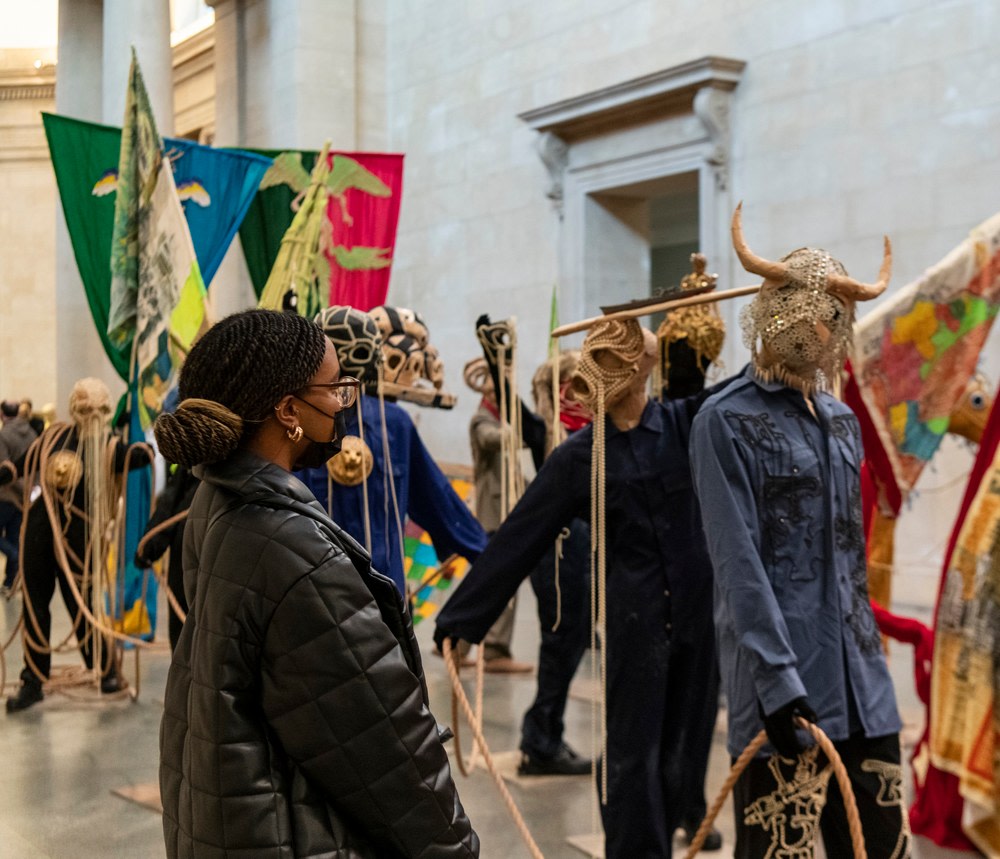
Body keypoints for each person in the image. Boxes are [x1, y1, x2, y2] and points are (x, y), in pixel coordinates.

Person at [155, 308, 478, 857]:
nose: (345, 404)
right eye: (335, 389)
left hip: (231, 812)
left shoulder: (216, 498)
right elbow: (383, 748)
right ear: (287, 410)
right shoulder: (293, 551)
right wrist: (456, 846)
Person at [436, 317, 724, 858]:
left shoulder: (687, 423)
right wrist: (461, 622)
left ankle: (682, 820)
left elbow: (745, 388)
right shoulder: (578, 456)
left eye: (624, 354)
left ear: (648, 364)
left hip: (696, 615)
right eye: (601, 358)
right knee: (632, 754)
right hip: (635, 619)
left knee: (686, 746)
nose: (610, 367)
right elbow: (519, 537)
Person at [689, 205, 909, 858]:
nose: (816, 325)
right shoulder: (722, 421)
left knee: (882, 846)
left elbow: (850, 553)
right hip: (783, 691)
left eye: (831, 314)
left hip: (864, 686)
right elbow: (737, 566)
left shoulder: (842, 421)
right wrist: (779, 685)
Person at [299, 306, 487, 600]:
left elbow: (434, 497)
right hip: (315, 593)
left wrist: (488, 556)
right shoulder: (299, 424)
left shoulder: (395, 425)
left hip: (385, 594)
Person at [5, 378, 146, 712]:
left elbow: (132, 457)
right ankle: (32, 681)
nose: (90, 414)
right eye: (83, 408)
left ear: (107, 410)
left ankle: (105, 670)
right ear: (73, 407)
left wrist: (146, 449)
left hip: (80, 542)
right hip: (40, 531)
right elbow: (22, 463)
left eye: (97, 409)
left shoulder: (109, 446)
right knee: (35, 609)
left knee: (82, 608)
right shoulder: (54, 437)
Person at [134, 464, 199, 651]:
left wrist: (148, 549)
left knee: (185, 631)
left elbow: (173, 494)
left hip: (189, 533)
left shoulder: (192, 457)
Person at [0, 399, 38, 593]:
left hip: (6, 495)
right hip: (25, 495)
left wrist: (18, 486)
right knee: (14, 537)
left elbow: (5, 470)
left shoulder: (3, 435)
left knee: (12, 544)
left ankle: (13, 556)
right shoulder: (32, 434)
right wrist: (30, 489)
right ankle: (10, 582)